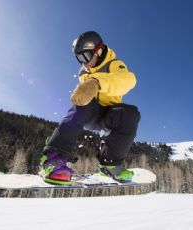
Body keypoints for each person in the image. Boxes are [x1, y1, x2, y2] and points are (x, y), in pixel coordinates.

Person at [39, 31, 140, 185]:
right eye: (79, 59)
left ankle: (109, 164)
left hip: (109, 114)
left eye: (85, 57)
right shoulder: (83, 74)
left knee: (131, 114)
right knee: (84, 105)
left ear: (98, 50)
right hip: (90, 113)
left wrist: (97, 82)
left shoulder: (113, 64)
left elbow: (127, 80)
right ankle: (54, 158)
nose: (83, 63)